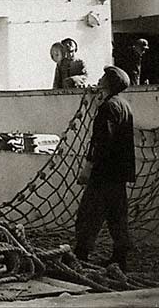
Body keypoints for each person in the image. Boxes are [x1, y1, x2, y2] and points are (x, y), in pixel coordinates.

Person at [74, 66, 135, 271]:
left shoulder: (107, 107)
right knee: (117, 216)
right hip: (118, 174)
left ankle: (80, 255)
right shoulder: (124, 105)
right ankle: (120, 258)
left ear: (108, 82)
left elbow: (101, 142)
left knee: (88, 214)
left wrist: (88, 167)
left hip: (103, 173)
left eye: (102, 77)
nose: (99, 79)